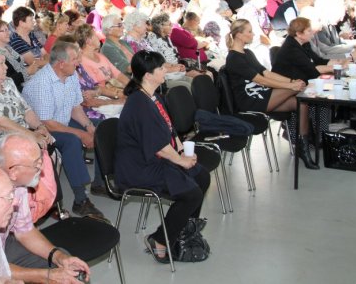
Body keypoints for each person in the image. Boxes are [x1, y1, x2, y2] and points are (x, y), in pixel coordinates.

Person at [0, 133, 91, 283]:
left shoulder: (16, 181)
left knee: (64, 266)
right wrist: (46, 276)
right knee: (53, 275)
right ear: (13, 171)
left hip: (0, 245)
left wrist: (58, 256)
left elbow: (24, 231)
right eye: (36, 164)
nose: (41, 167)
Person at [115, 51, 211, 264]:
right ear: (148, 75)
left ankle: (183, 230)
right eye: (161, 68)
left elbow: (168, 130)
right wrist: (180, 160)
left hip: (156, 157)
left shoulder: (153, 96)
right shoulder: (139, 103)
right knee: (191, 194)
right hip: (140, 166)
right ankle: (160, 239)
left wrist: (182, 152)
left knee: (202, 177)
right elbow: (157, 145)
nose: (165, 70)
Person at [22, 42, 104, 218]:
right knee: (72, 141)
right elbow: (48, 123)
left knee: (100, 130)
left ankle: (100, 182)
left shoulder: (71, 74)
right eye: (75, 59)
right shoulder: (42, 82)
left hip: (61, 121)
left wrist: (89, 127)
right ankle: (80, 200)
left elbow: (75, 107)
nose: (78, 63)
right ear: (61, 63)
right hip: (41, 129)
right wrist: (81, 134)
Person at [224, 20, 318, 169]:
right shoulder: (233, 58)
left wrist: (292, 81)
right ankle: (305, 145)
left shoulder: (247, 53)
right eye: (249, 31)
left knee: (302, 103)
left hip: (261, 94)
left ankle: (303, 148)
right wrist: (291, 85)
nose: (253, 34)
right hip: (249, 100)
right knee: (298, 89)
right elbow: (262, 80)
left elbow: (267, 73)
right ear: (239, 35)